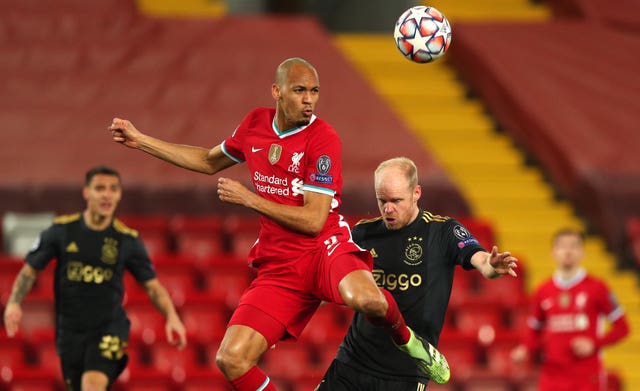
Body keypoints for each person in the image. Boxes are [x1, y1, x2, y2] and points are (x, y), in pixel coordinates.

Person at [108, 57, 451, 390]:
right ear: (277, 91)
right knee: (231, 359)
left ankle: (413, 346)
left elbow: (314, 221)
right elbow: (208, 160)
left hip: (324, 249)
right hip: (280, 265)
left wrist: (250, 199)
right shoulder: (254, 124)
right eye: (300, 90)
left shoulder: (323, 138)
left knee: (370, 302)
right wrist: (142, 141)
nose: (309, 100)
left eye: (315, 91)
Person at [315, 156, 519, 390]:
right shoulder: (361, 234)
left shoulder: (443, 231)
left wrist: (491, 266)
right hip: (353, 362)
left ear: (416, 193)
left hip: (406, 373)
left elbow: (481, 260)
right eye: (382, 201)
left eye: (396, 200)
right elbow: (327, 285)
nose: (388, 209)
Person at [3, 166, 187, 391]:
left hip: (109, 329)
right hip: (69, 333)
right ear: (86, 192)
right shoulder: (61, 232)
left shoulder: (127, 240)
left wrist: (171, 316)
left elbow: (152, 286)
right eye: (100, 188)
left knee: (92, 386)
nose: (107, 195)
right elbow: (29, 270)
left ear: (119, 195)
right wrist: (14, 302)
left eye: (113, 189)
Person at [511, 228, 630, 391]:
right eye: (562, 246)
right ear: (553, 253)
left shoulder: (598, 288)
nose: (567, 251)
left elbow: (623, 328)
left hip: (586, 377)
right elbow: (534, 330)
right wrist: (525, 349)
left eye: (573, 246)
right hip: (552, 377)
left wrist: (594, 343)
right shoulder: (543, 291)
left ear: (582, 253)